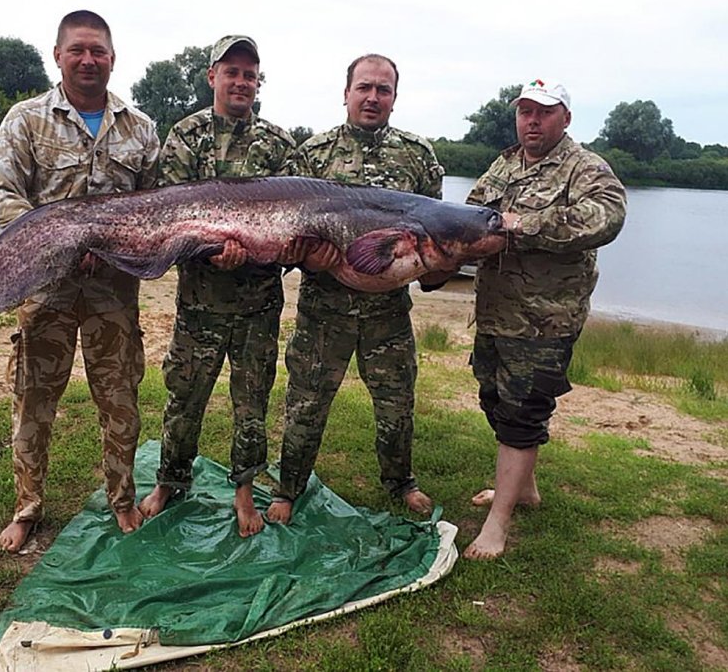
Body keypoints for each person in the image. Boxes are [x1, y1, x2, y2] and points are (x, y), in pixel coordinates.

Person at [0, 10, 160, 552]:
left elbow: (156, 210)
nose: (89, 60)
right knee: (34, 400)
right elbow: (3, 194)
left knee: (120, 400)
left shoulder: (140, 128)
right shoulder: (26, 120)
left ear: (112, 59)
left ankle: (122, 500)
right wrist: (59, 247)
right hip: (45, 290)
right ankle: (27, 507)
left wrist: (117, 248)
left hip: (114, 291)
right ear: (58, 56)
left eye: (98, 51)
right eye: (78, 50)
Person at [266, 54, 445, 525]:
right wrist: (307, 256)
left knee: (396, 403)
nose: (372, 97)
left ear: (394, 98)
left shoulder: (418, 157)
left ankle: (401, 481)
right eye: (364, 87)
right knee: (305, 402)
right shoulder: (312, 155)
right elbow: (288, 234)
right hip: (323, 310)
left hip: (389, 313)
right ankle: (288, 486)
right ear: (346, 92)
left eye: (383, 90)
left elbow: (437, 233)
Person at [138, 35, 297, 537]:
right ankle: (170, 480)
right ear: (212, 77)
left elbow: (294, 226)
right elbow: (168, 216)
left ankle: (244, 491)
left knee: (252, 404)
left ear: (258, 82)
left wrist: (268, 252)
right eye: (232, 72)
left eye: (250, 74)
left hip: (259, 306)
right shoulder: (185, 136)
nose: (241, 82)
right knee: (184, 398)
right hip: (199, 304)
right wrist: (210, 251)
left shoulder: (279, 145)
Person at [463, 79, 626, 560]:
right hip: (495, 312)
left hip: (544, 320)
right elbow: (471, 213)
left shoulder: (585, 167)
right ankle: (524, 489)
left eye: (544, 112)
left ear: (565, 118)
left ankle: (498, 523)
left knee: (522, 414)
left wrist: (523, 223)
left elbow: (607, 217)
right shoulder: (504, 164)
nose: (532, 121)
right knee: (495, 399)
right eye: (525, 112)